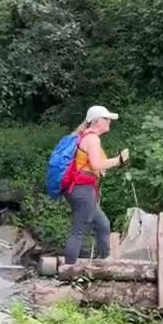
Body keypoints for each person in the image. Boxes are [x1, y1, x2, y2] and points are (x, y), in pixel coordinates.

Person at [62, 105, 130, 264]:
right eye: (107, 119)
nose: (109, 122)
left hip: (81, 189)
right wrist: (119, 160)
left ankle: (103, 264)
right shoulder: (92, 139)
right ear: (96, 121)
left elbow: (95, 166)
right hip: (81, 190)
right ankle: (68, 270)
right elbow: (97, 165)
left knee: (103, 225)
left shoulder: (87, 137)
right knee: (79, 231)